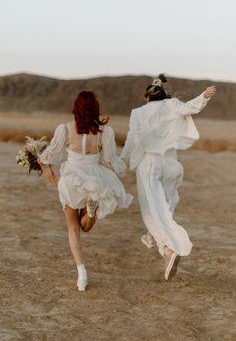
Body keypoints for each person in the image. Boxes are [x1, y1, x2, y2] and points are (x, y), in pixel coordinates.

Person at [121, 74, 216, 281]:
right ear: (164, 95)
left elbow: (131, 140)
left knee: (151, 210)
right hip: (172, 164)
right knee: (167, 204)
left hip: (150, 164)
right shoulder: (172, 104)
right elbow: (191, 107)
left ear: (147, 98)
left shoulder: (138, 113)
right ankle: (154, 237)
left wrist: (121, 162)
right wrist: (204, 96)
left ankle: (168, 249)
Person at [38, 91, 133, 291]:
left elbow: (49, 155)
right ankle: (90, 211)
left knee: (73, 228)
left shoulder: (64, 129)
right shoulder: (105, 132)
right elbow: (109, 160)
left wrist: (38, 155)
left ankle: (81, 273)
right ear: (95, 109)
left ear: (76, 108)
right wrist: (123, 167)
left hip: (72, 179)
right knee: (87, 226)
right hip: (95, 178)